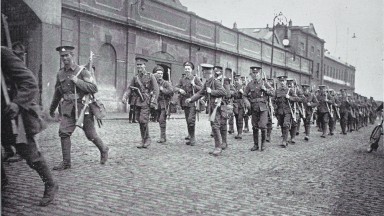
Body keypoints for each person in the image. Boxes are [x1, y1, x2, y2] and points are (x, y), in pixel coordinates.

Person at [1, 46, 58, 206]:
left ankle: (51, 183)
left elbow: (30, 82)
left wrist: (17, 103)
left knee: (30, 155)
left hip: (13, 115)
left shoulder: (2, 53)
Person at [49, 46, 109, 169]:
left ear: (72, 55)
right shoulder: (60, 73)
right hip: (67, 109)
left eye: (67, 55)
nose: (65, 58)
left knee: (90, 134)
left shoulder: (82, 71)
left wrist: (77, 81)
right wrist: (52, 109)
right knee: (64, 133)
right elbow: (57, 92)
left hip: (83, 108)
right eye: (62, 56)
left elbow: (93, 88)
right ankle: (66, 163)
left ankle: (103, 149)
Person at [186, 64, 227, 156]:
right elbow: (200, 93)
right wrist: (191, 99)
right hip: (212, 107)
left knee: (215, 126)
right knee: (214, 126)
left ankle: (218, 147)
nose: (202, 74)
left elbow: (224, 92)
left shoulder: (215, 82)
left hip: (218, 107)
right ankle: (218, 146)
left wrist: (211, 92)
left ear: (207, 72)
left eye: (203, 72)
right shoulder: (208, 82)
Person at [122, 57, 159, 148]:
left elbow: (156, 89)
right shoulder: (135, 77)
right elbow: (130, 88)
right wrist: (125, 96)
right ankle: (143, 140)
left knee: (143, 120)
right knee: (139, 120)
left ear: (144, 65)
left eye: (141, 65)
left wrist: (153, 101)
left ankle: (147, 139)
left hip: (146, 100)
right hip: (137, 101)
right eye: (138, 65)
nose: (139, 67)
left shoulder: (150, 76)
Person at [243, 66, 275, 151]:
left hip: (263, 108)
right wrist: (247, 103)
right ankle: (256, 145)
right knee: (254, 126)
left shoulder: (264, 83)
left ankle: (263, 144)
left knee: (263, 126)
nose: (255, 74)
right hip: (253, 108)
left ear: (259, 74)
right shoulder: (250, 84)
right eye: (253, 73)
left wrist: (265, 90)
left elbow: (273, 93)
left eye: (257, 73)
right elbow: (244, 95)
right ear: (252, 74)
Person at [173, 61, 203, 146]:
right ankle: (190, 135)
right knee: (187, 120)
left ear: (192, 70)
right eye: (185, 69)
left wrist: (194, 85)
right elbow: (175, 87)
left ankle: (192, 138)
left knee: (191, 120)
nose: (187, 70)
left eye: (188, 69)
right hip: (185, 102)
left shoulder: (195, 78)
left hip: (193, 101)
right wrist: (179, 90)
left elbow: (202, 89)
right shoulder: (182, 79)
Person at [273, 76, 299, 147]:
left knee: (286, 124)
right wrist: (275, 107)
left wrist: (290, 97)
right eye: (280, 81)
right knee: (281, 124)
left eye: (283, 81)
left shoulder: (289, 90)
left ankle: (284, 141)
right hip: (279, 111)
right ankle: (285, 139)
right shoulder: (277, 91)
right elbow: (273, 100)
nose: (282, 82)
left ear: (286, 82)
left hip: (288, 111)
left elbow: (297, 99)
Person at [153, 65, 173, 143]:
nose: (160, 75)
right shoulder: (154, 83)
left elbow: (171, 91)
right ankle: (163, 137)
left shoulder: (166, 83)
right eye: (158, 73)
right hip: (156, 104)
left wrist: (163, 89)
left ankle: (163, 137)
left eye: (161, 73)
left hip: (164, 104)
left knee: (162, 119)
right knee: (159, 120)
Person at [232, 74, 246, 139]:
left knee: (240, 118)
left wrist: (242, 92)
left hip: (241, 104)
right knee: (237, 118)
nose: (236, 81)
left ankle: (240, 133)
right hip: (235, 104)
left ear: (240, 80)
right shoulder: (233, 87)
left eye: (237, 80)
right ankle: (238, 132)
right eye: (235, 80)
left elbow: (246, 95)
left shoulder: (243, 87)